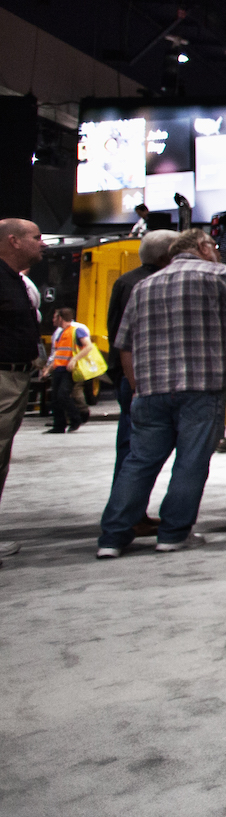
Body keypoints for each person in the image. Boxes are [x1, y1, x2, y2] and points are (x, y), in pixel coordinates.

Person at [96, 229, 226, 557]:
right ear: (202, 247)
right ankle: (172, 535)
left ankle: (112, 539)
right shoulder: (216, 275)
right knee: (190, 463)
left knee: (139, 463)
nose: (216, 251)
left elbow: (124, 345)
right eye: (214, 246)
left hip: (151, 391)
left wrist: (136, 387)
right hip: (202, 389)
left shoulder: (145, 286)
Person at [107, 230, 179, 465]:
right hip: (147, 378)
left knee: (129, 445)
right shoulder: (161, 284)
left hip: (128, 375)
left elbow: (116, 331)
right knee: (138, 449)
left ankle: (123, 498)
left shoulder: (125, 281)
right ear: (166, 256)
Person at [0, 217, 46, 565]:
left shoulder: (15, 280)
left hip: (15, 377)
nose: (42, 243)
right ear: (13, 241)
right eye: (36, 237)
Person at [41, 308, 92, 434]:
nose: (52, 320)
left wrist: (74, 359)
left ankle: (76, 418)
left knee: (63, 395)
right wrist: (48, 369)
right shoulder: (61, 334)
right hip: (58, 369)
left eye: (55, 317)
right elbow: (58, 354)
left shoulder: (76, 331)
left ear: (60, 318)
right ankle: (59, 425)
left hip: (69, 370)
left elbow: (89, 346)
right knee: (55, 399)